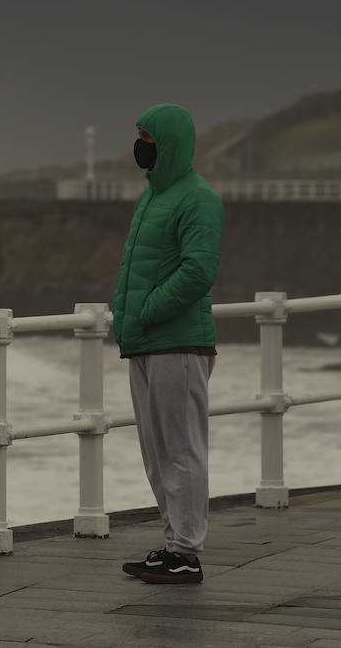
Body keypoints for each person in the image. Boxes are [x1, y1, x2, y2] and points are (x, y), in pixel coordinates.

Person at [113, 103, 223, 585]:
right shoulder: (152, 196)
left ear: (168, 142)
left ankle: (188, 554)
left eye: (147, 137)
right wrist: (132, 322)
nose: (139, 146)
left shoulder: (198, 198)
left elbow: (199, 270)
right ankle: (173, 544)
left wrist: (148, 311)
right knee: (157, 451)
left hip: (178, 343)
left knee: (182, 450)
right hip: (145, 342)